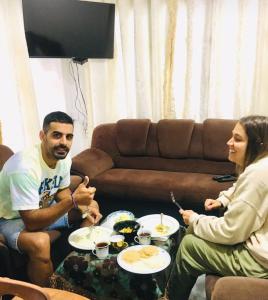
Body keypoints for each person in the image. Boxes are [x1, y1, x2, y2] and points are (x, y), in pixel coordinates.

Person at [166, 115, 268, 300]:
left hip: (259, 262)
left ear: (258, 144)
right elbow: (240, 187)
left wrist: (196, 219)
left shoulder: (257, 175)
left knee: (189, 245)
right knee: (192, 230)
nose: (229, 142)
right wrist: (223, 200)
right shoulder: (262, 164)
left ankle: (171, 296)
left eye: (237, 139)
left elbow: (231, 231)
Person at [0, 111, 102, 286]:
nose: (64, 142)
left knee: (92, 205)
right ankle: (47, 293)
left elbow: (60, 190)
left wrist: (83, 208)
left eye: (69, 137)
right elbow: (31, 221)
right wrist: (72, 201)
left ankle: (80, 264)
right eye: (57, 135)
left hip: (43, 209)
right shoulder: (24, 167)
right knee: (40, 242)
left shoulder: (63, 158)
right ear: (42, 135)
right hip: (13, 219)